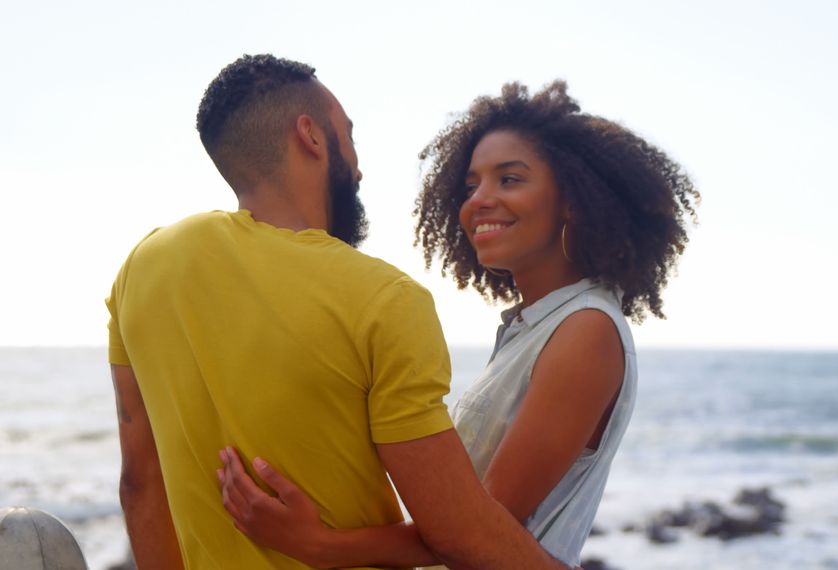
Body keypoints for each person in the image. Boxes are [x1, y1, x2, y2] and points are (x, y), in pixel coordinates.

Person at [106, 54, 572, 570]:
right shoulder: (383, 298)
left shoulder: (143, 269)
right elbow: (460, 534)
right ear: (310, 135)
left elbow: (139, 483)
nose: (358, 164)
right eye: (347, 136)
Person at [217, 80, 700, 568]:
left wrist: (316, 543)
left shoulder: (586, 331)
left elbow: (478, 527)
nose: (478, 201)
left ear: (573, 200)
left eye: (509, 179)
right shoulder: (535, 328)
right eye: (471, 186)